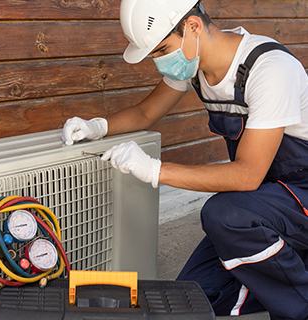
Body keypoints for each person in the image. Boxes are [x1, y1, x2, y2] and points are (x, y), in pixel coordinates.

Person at [62, 0, 308, 319]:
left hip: (299, 190)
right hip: (269, 198)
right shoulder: (196, 65)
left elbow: (247, 175)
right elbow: (146, 112)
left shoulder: (269, 69)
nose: (161, 62)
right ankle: (294, 265)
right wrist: (97, 126)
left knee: (224, 215)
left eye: (163, 50)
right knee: (195, 296)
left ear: (193, 26)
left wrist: (154, 170)